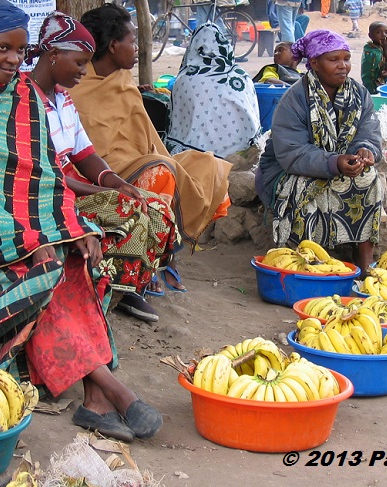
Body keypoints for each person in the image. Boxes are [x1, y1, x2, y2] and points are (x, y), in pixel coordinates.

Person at [0, 0, 162, 443]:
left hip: (23, 229)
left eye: (20, 51)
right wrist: (31, 240)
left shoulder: (25, 97)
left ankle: (96, 401)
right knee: (43, 274)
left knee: (77, 266)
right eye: (2, 48)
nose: (14, 60)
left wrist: (70, 230)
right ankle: (112, 392)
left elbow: (41, 177)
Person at [24, 11, 179, 323]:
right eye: (79, 62)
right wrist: (102, 191)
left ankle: (127, 286)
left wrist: (113, 180)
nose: (84, 70)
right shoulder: (25, 101)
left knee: (157, 208)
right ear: (53, 54)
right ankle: (111, 288)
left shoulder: (63, 99)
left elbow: (85, 155)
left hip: (70, 186)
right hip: (46, 198)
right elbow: (48, 174)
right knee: (130, 209)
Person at [68, 3, 232, 292]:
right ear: (113, 45)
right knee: (161, 171)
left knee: (208, 165)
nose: (138, 48)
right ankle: (149, 266)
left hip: (137, 160)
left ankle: (166, 254)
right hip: (96, 174)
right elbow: (85, 152)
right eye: (132, 41)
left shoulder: (122, 78)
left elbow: (143, 135)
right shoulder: (77, 87)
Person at [255, 30, 384, 275]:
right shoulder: (294, 99)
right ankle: (307, 259)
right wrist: (334, 162)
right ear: (314, 64)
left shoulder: (359, 94)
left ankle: (364, 258)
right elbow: (292, 154)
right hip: (285, 170)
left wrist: (366, 151)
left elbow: (369, 131)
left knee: (369, 179)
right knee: (307, 187)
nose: (343, 66)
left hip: (338, 163)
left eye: (346, 58)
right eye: (334, 60)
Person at [165, 23, 261, 158]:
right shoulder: (241, 76)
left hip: (195, 156)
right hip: (243, 152)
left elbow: (176, 121)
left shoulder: (184, 80)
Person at [361, 21, 387, 94]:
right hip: (374, 86)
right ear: (370, 36)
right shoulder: (370, 51)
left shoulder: (384, 47)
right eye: (378, 32)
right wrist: (386, 50)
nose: (383, 35)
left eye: (386, 32)